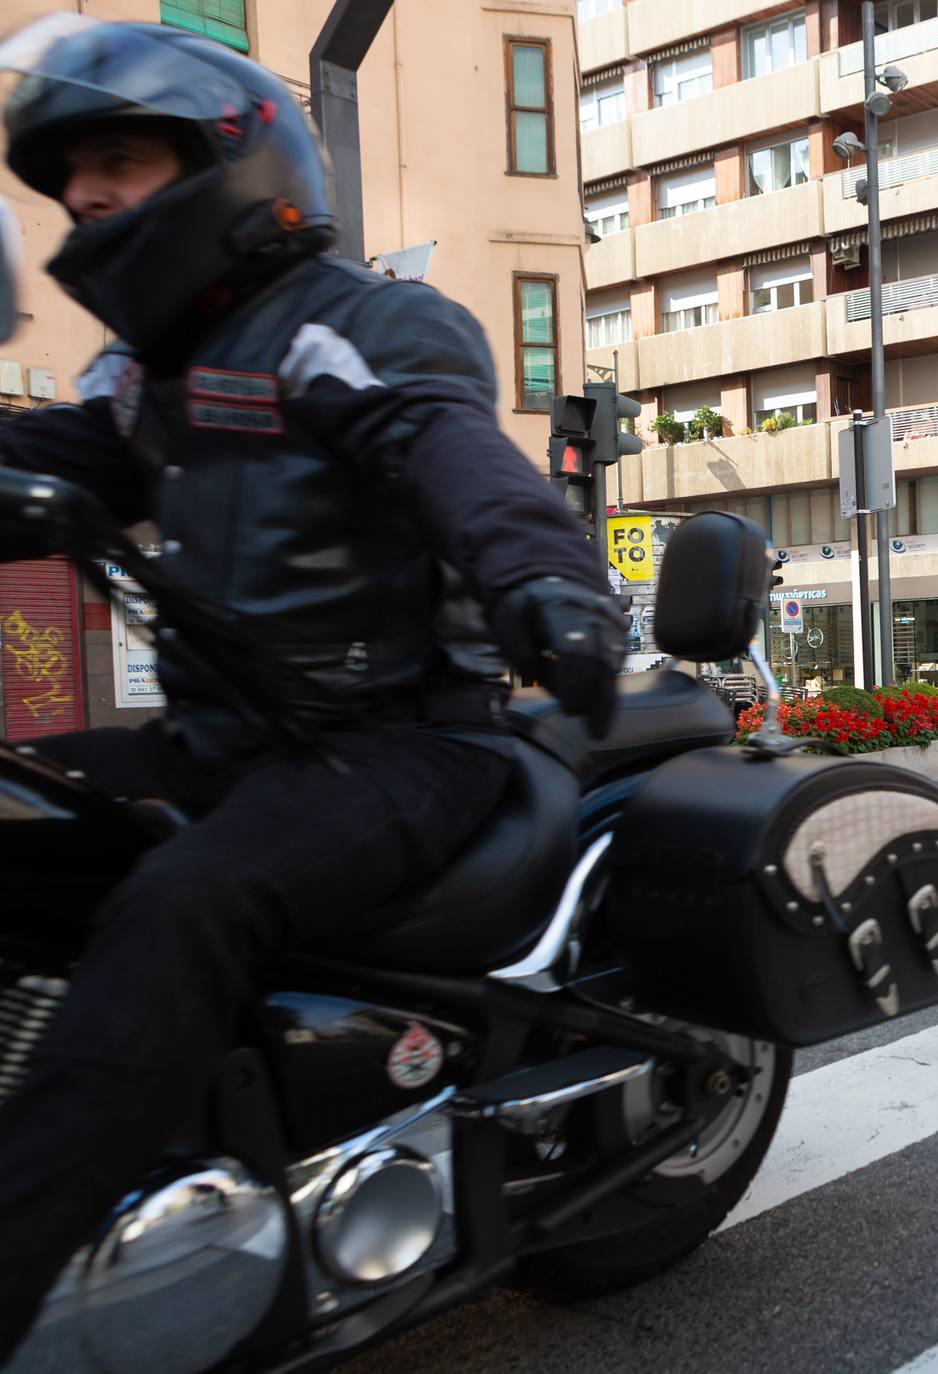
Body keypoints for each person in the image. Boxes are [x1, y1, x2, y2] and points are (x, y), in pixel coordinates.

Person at [0, 21, 622, 1358]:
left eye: (118, 158)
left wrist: (551, 587)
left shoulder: (358, 324)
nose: (88, 196)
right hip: (229, 744)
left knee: (188, 897)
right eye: (71, 177)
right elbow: (34, 462)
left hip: (398, 744)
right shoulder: (138, 381)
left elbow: (451, 450)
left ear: (229, 161)